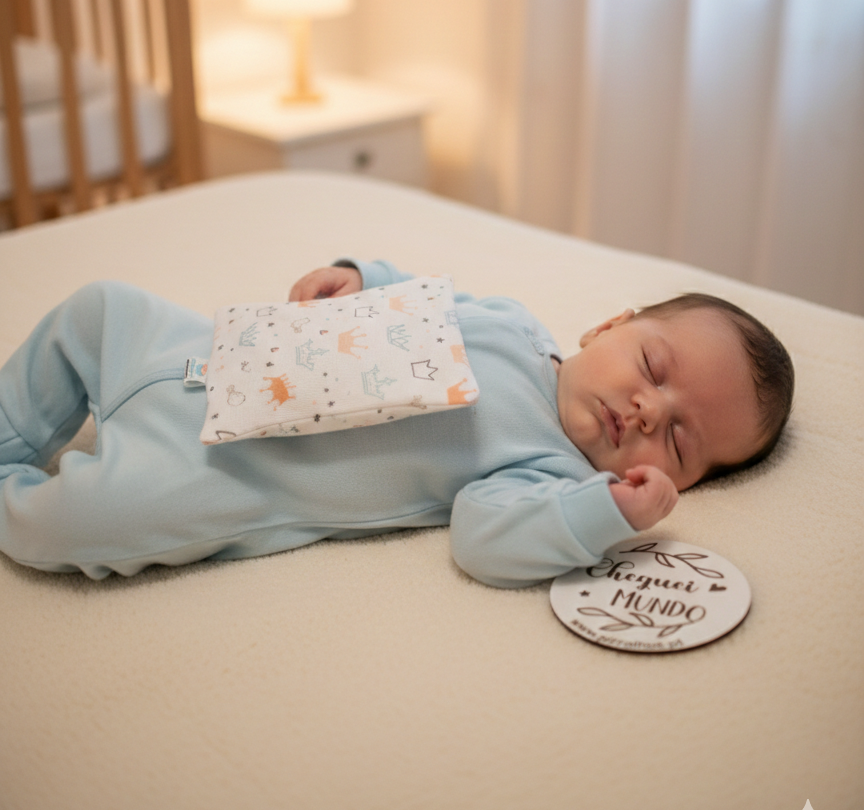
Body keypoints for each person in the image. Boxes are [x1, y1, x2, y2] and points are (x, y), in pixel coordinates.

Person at [0, 259, 793, 584]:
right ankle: (13, 428)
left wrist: (604, 515)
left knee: (85, 522)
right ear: (607, 325)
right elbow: (418, 293)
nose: (649, 409)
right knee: (100, 308)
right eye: (654, 370)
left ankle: (14, 493)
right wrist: (359, 276)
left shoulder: (547, 474)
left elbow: (484, 542)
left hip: (221, 468)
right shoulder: (515, 323)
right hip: (202, 350)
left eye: (680, 441)